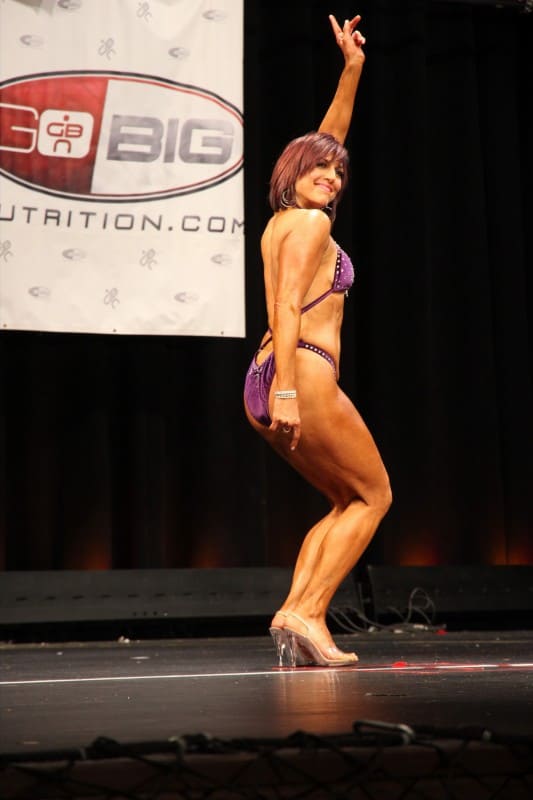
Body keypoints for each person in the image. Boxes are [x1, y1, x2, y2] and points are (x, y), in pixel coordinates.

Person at [243, 13, 392, 667]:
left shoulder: (284, 220)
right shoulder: (308, 225)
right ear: (293, 170)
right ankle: (308, 612)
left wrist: (351, 69)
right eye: (321, 169)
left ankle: (295, 613)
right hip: (298, 369)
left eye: (339, 171)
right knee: (375, 496)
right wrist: (287, 391)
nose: (332, 175)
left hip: (269, 371)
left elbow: (327, 141)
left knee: (344, 499)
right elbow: (284, 304)